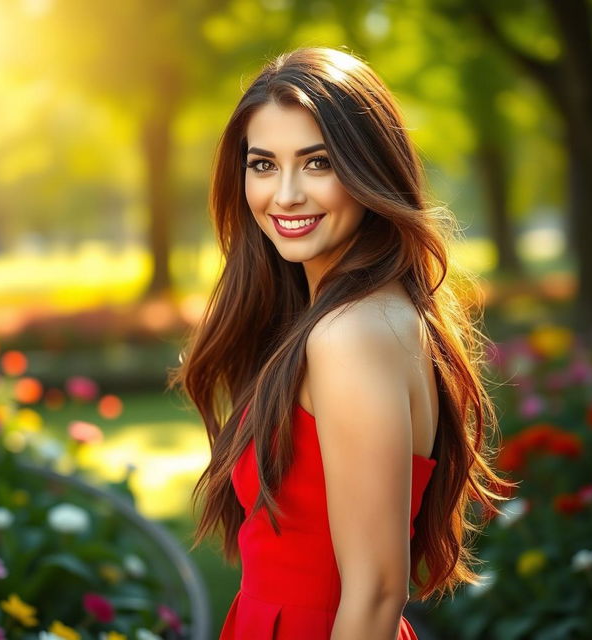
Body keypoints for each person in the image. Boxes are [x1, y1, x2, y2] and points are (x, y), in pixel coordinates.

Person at [169, 46, 513, 640]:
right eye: (263, 164)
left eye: (317, 162)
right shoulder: (361, 314)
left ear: (368, 168)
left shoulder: (349, 332)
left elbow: (378, 591)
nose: (286, 195)